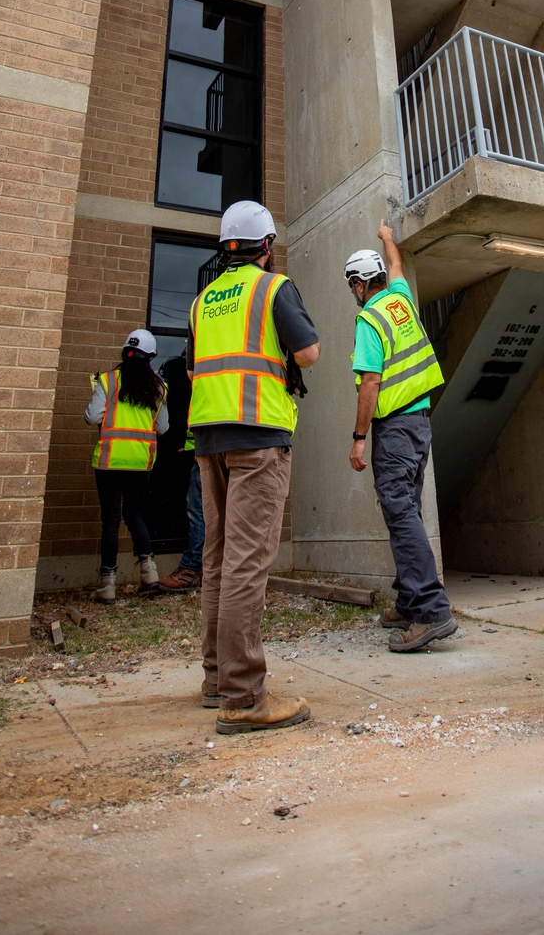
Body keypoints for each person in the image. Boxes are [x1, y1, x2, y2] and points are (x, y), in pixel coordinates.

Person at [189, 200, 320, 733]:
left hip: (209, 437)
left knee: (219, 559)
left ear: (226, 246)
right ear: (267, 245)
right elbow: (308, 353)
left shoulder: (202, 300)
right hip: (258, 435)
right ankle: (244, 697)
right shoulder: (272, 287)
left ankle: (216, 678)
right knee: (246, 561)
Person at [346, 219, 456, 654]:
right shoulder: (399, 300)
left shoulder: (369, 319)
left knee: (399, 511)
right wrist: (388, 237)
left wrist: (358, 437)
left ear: (358, 284)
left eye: (352, 286)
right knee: (405, 509)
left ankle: (431, 611)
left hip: (393, 429)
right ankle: (411, 600)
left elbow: (369, 383)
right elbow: (396, 267)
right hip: (421, 424)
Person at [84, 329, 169, 604]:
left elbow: (92, 417)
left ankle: (107, 584)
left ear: (125, 353)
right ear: (151, 357)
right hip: (140, 462)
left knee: (110, 520)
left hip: (109, 461)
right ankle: (150, 574)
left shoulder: (108, 381)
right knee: (135, 515)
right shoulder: (158, 387)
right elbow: (163, 427)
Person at [155, 348, 205, 592]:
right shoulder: (192, 379)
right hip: (198, 449)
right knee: (200, 510)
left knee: (199, 510)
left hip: (203, 451)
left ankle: (192, 568)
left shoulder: (194, 378)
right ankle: (201, 568)